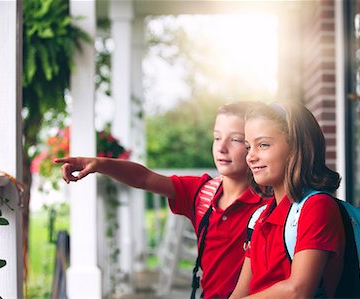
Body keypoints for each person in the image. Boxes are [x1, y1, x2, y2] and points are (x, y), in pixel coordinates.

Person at [55, 102, 268, 299]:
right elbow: (144, 178)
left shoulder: (268, 204)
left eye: (236, 140)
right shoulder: (202, 193)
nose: (222, 147)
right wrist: (99, 164)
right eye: (216, 137)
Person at [230, 101, 345, 298]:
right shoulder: (259, 218)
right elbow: (240, 293)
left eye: (263, 145)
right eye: (249, 147)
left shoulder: (318, 207)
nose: (250, 156)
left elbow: (298, 291)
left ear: (296, 148)